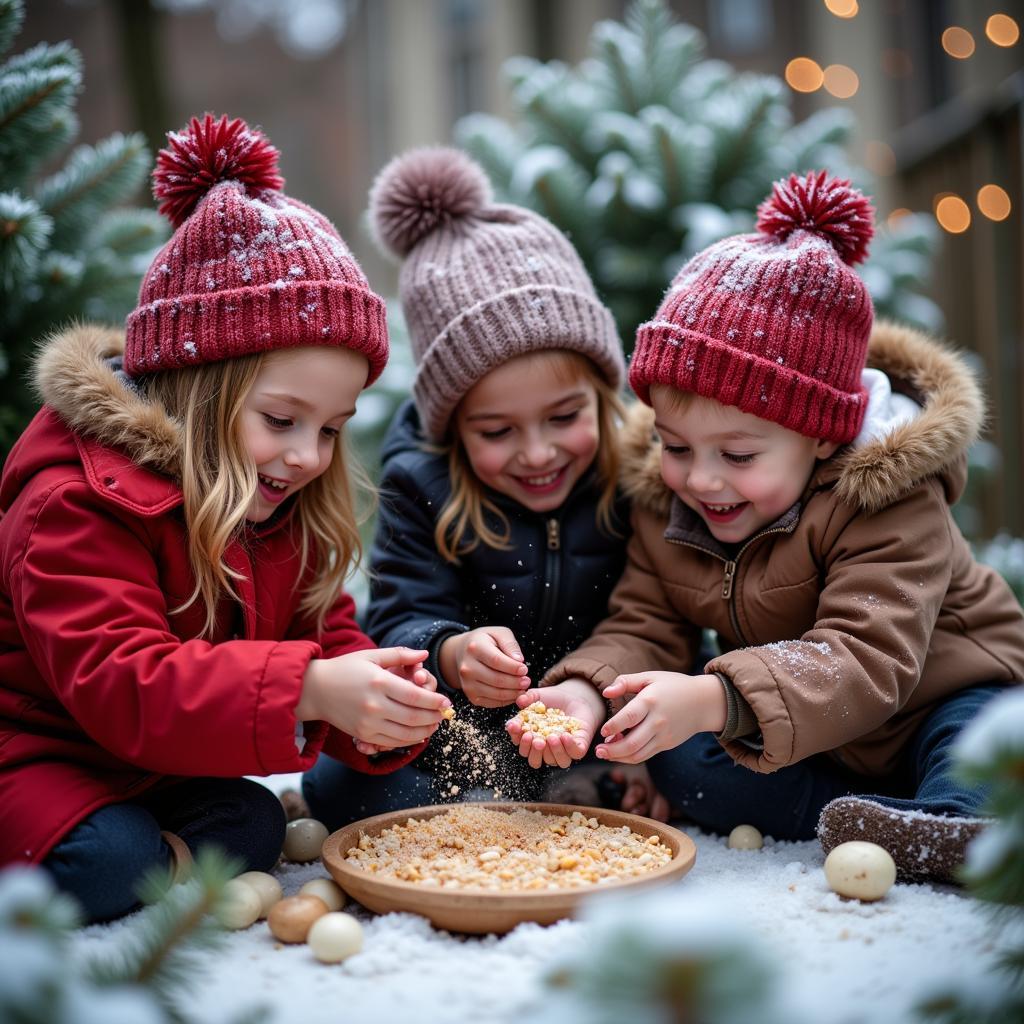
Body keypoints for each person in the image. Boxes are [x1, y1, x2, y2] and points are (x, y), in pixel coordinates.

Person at [0, 114, 451, 922]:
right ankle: (136, 857)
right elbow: (121, 683)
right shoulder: (74, 501)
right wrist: (309, 689)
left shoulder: (275, 497)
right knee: (106, 860)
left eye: (332, 428)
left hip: (148, 767)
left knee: (246, 823)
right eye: (282, 420)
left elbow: (324, 626)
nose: (309, 455)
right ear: (197, 389)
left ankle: (155, 855)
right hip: (32, 754)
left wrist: (379, 699)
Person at [515, 170, 1024, 883]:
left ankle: (956, 818)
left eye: (739, 454)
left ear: (821, 436)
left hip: (941, 696)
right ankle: (871, 816)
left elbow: (866, 656)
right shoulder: (671, 508)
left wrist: (719, 697)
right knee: (683, 759)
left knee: (988, 743)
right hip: (811, 736)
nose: (701, 479)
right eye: (677, 445)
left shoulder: (890, 503)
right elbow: (645, 624)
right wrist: (590, 691)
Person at [302, 147, 632, 828]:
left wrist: (613, 709)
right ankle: (498, 798)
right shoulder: (420, 483)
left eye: (565, 417)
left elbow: (664, 618)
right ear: (452, 428)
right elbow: (395, 614)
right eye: (496, 431)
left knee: (696, 757)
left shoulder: (636, 478)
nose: (537, 453)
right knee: (342, 787)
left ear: (603, 396)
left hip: (596, 719)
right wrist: (453, 650)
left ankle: (584, 779)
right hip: (464, 736)